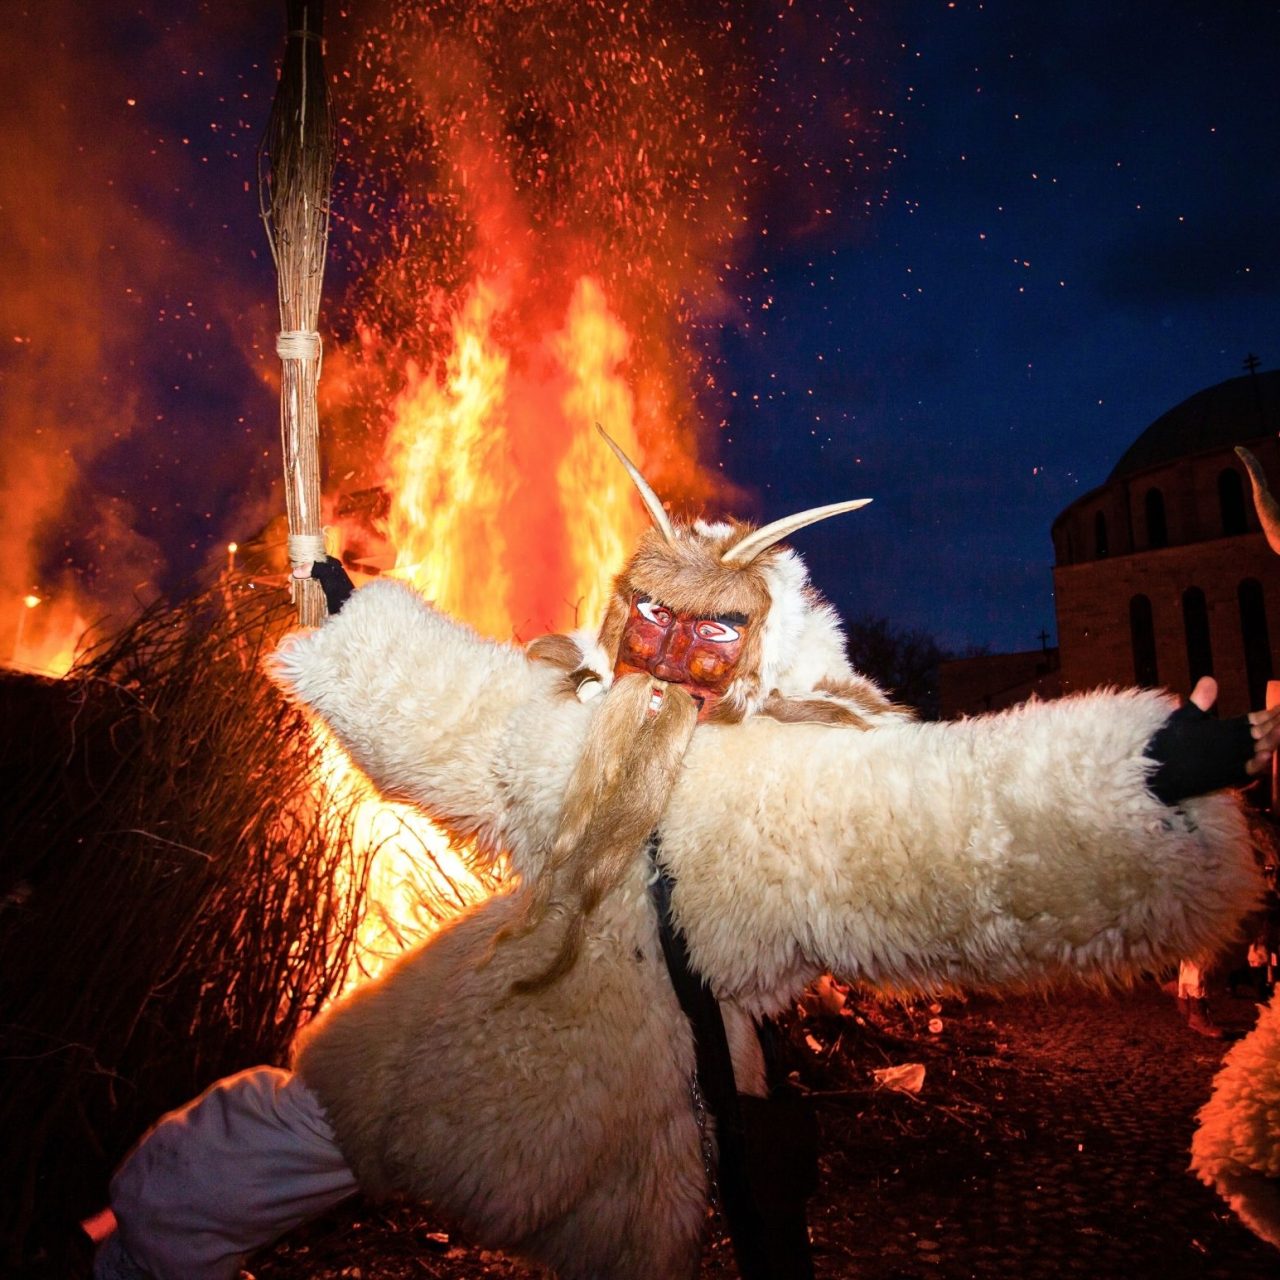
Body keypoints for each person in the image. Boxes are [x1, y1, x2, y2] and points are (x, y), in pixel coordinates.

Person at [93, 430, 1280, 1280]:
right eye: (649, 619)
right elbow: (461, 716)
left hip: (592, 1078)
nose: (668, 647)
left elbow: (958, 820)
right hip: (491, 1018)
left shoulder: (798, 787)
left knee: (511, 1193)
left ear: (755, 648)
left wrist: (1137, 770)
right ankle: (134, 1247)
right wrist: (348, 621)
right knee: (267, 1142)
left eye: (706, 628)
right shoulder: (583, 731)